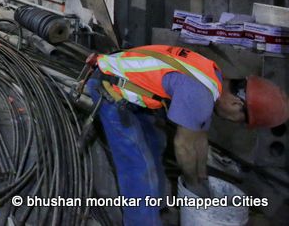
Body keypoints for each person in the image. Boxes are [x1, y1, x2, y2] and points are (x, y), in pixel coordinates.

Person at [83, 45, 289, 226]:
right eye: (241, 120)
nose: (235, 123)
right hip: (111, 88)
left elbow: (199, 138)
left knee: (156, 145)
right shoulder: (200, 93)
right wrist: (194, 185)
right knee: (139, 166)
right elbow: (184, 145)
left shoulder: (211, 78)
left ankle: (156, 210)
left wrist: (203, 179)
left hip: (133, 91)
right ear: (236, 104)